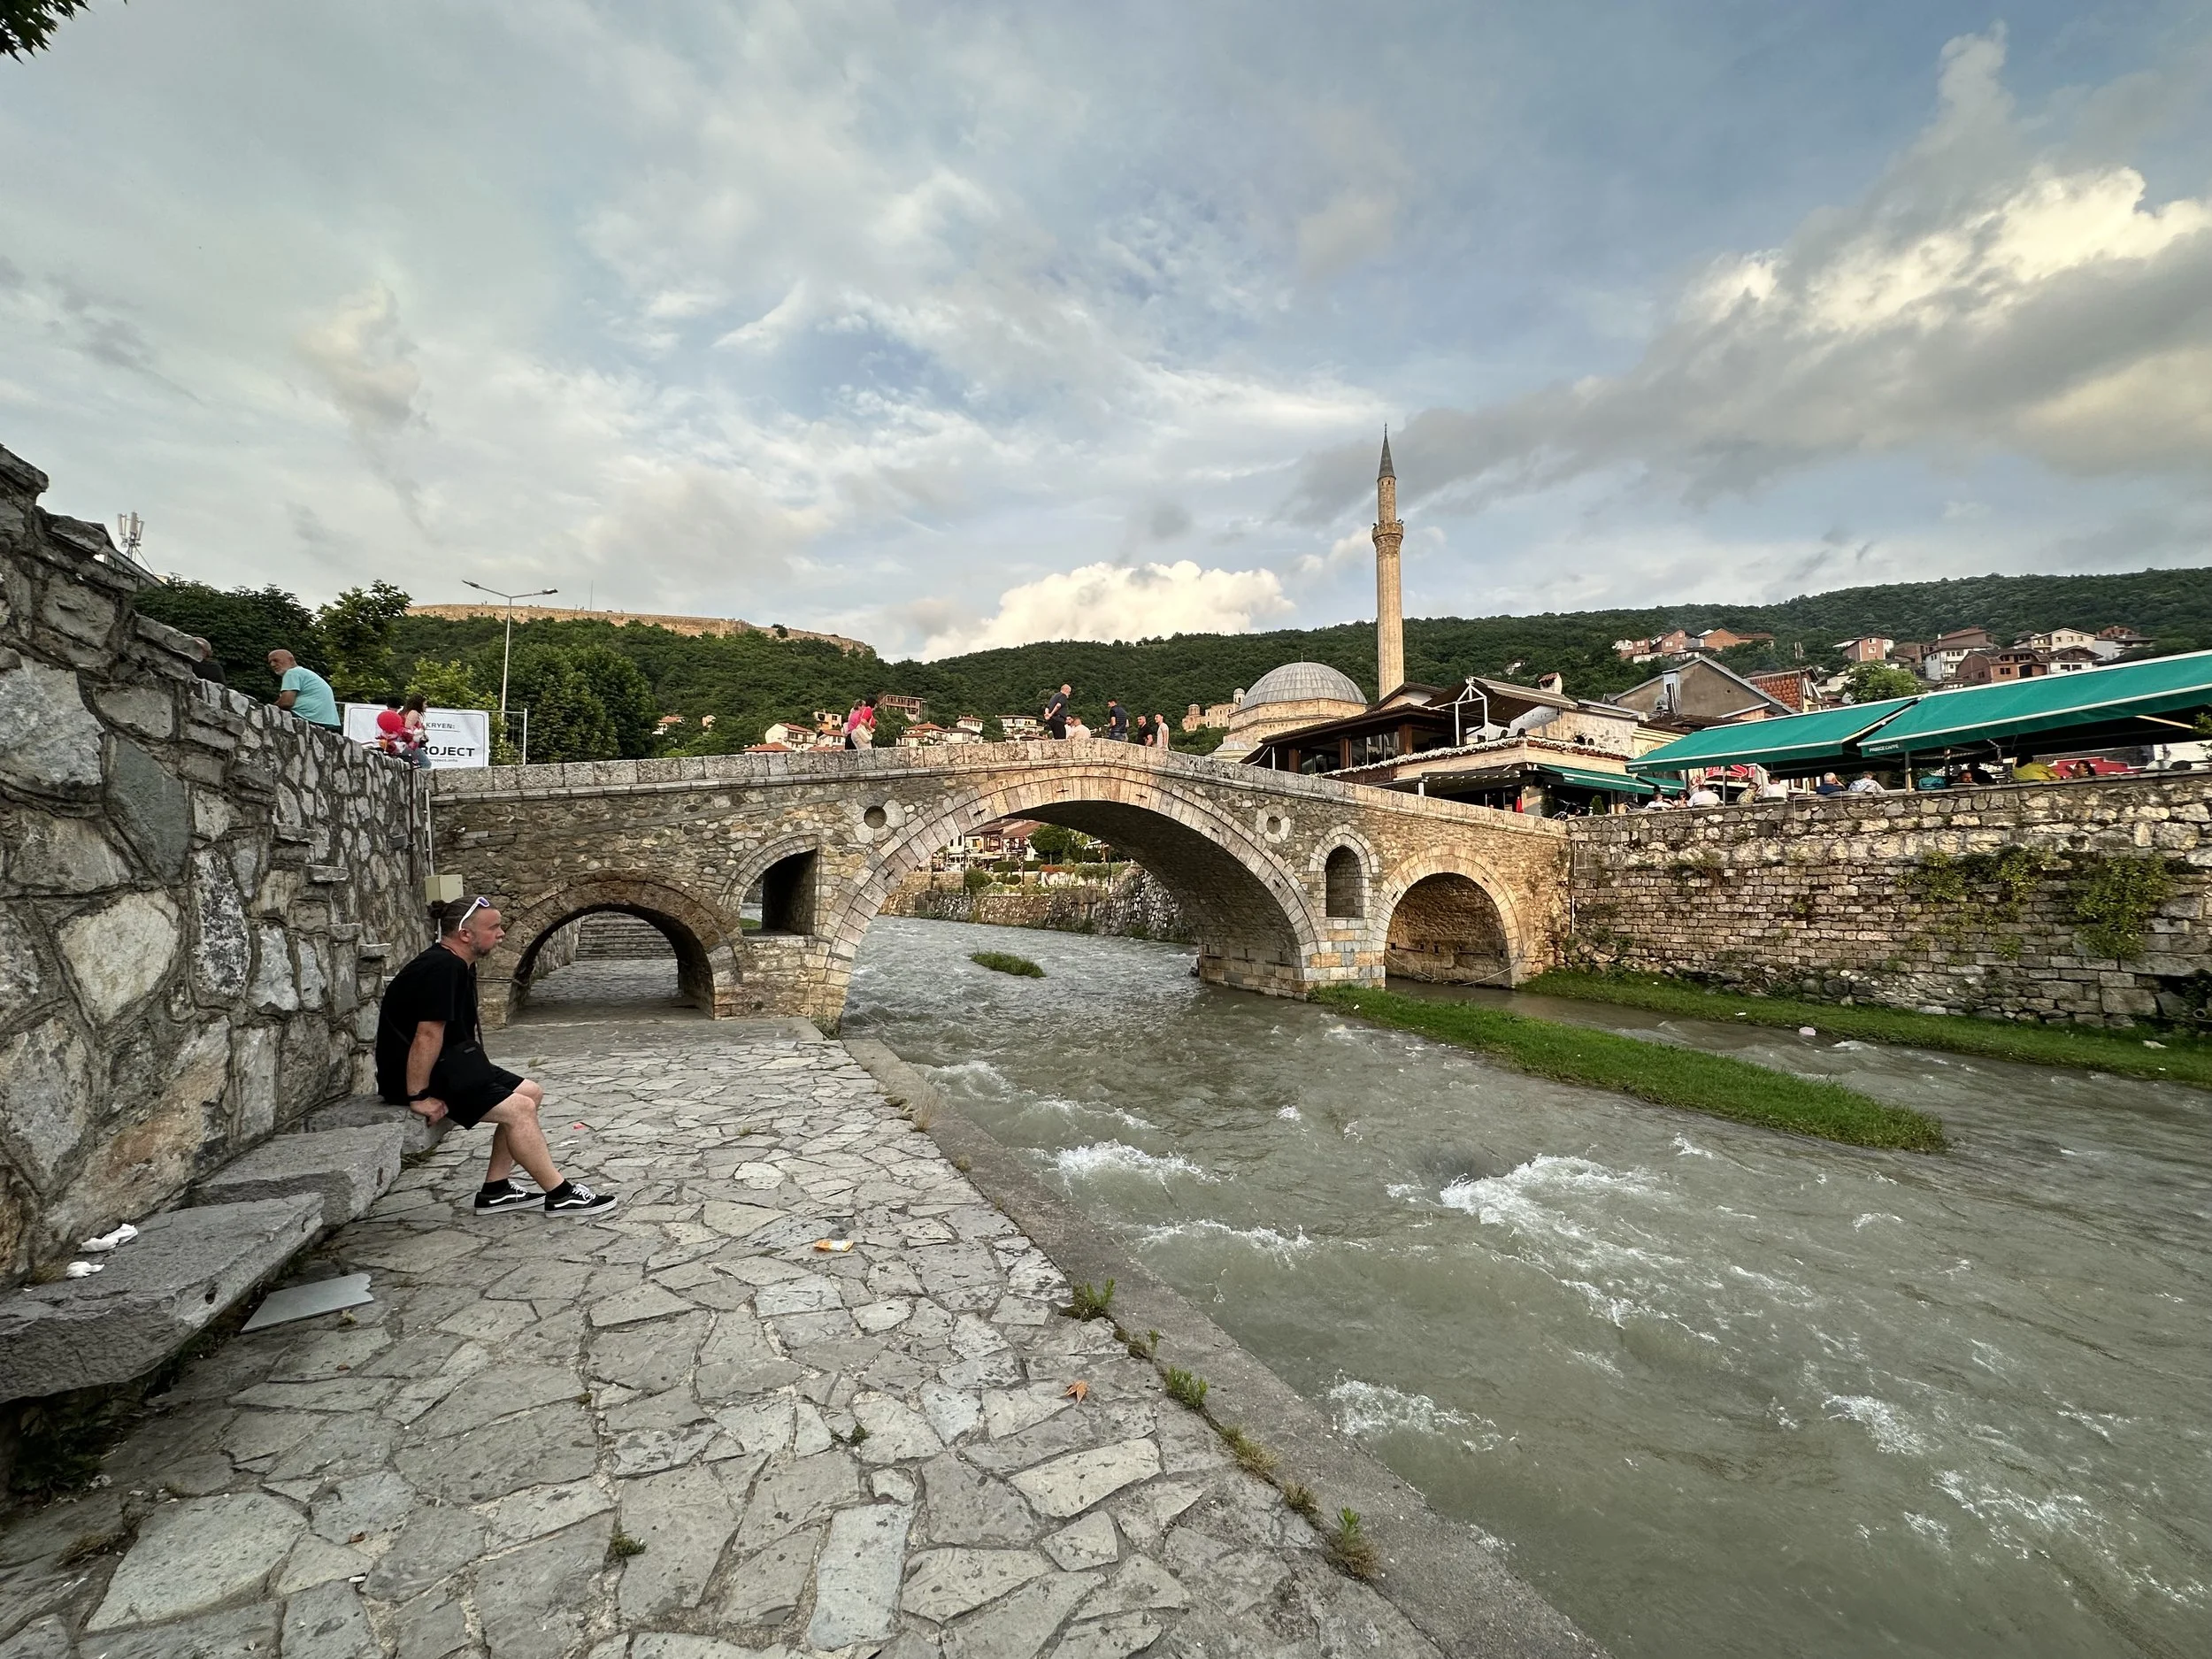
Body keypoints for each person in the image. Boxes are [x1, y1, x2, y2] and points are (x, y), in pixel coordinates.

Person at [375, 896, 616, 1217]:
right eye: (493, 927)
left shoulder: (455, 963)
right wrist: (418, 1095)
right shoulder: (442, 968)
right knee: (519, 1109)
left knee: (530, 1091)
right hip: (421, 1074)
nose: (502, 933)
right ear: (465, 934)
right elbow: (427, 1034)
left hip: (453, 1062)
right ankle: (560, 1194)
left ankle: (496, 1189)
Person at [267, 649, 341, 731]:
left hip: (309, 718)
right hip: (329, 722)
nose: (272, 665)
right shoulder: (305, 673)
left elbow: (287, 702)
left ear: (290, 660)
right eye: (270, 662)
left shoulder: (292, 673)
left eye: (276, 660)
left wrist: (270, 708)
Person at [401, 694, 434, 770]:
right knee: (426, 763)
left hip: (403, 745)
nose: (426, 706)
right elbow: (408, 728)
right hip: (407, 745)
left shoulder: (409, 712)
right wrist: (421, 732)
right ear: (419, 704)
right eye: (425, 704)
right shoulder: (414, 713)